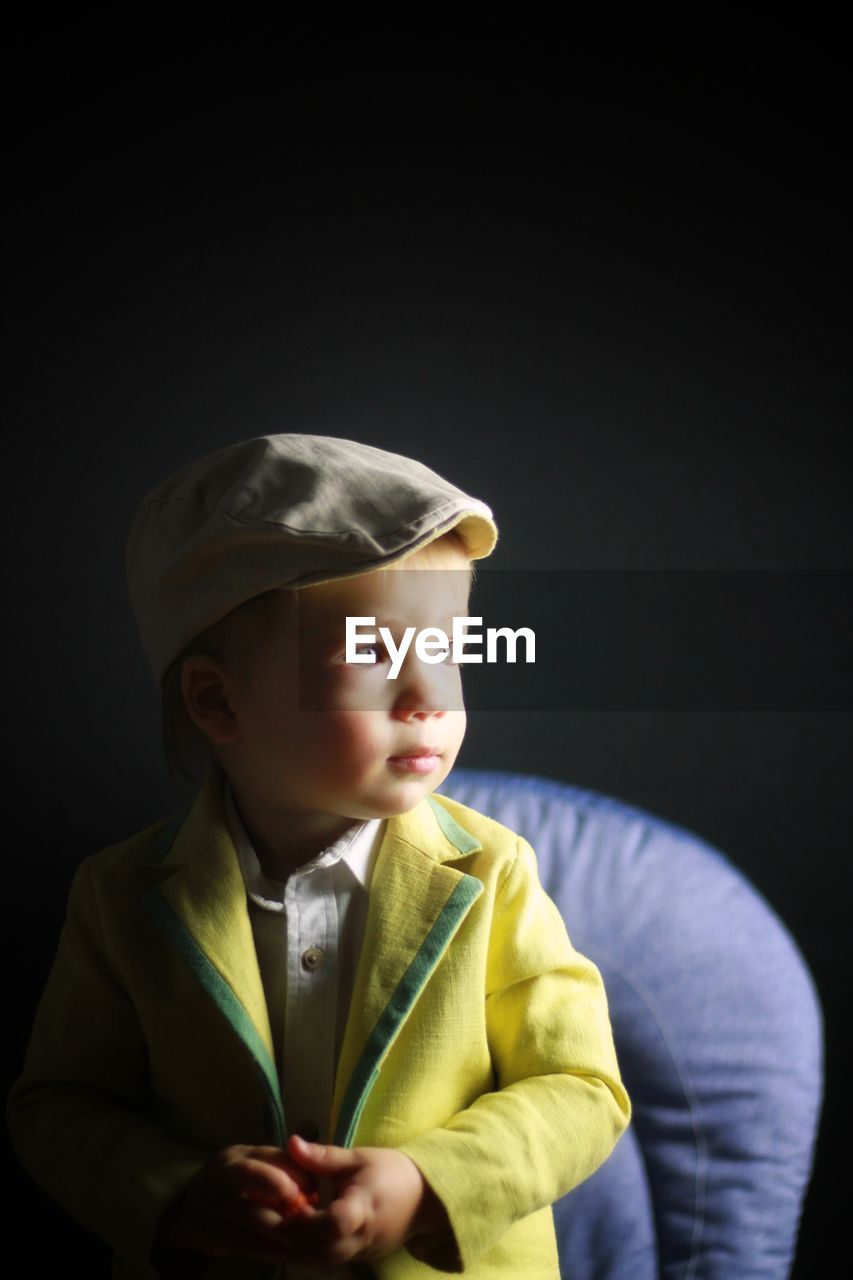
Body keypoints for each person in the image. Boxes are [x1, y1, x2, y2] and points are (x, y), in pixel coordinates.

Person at [6, 433, 632, 1280]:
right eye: (376, 656)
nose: (427, 700)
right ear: (218, 700)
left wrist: (426, 1183)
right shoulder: (120, 896)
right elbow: (59, 1106)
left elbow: (580, 1087)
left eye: (446, 652)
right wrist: (179, 1194)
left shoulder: (493, 871)